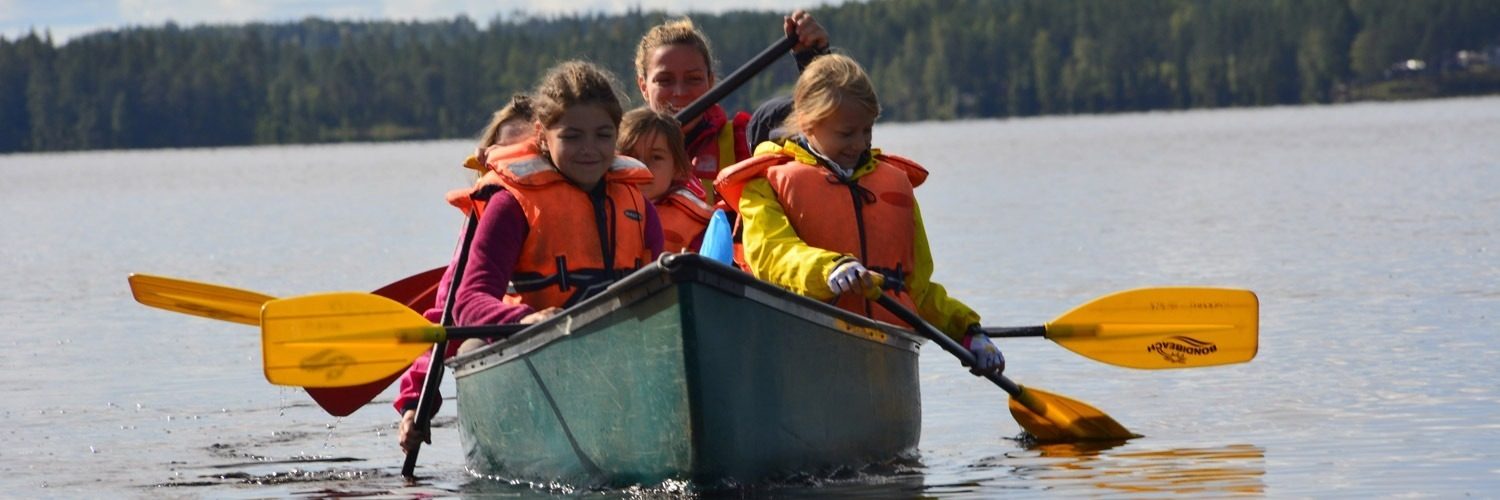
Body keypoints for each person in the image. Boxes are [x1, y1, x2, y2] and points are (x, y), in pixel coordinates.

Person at [396, 61, 665, 453]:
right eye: (572, 136)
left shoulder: (637, 204)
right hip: (538, 356)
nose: (589, 149)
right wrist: (526, 320)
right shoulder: (510, 205)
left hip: (619, 360)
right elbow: (466, 304)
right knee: (471, 347)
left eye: (603, 135)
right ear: (542, 134)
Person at [714, 54, 1004, 375]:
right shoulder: (766, 183)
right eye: (847, 133)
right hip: (803, 353)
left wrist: (968, 331)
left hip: (885, 360)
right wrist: (828, 269)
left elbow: (917, 289)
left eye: (867, 130)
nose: (859, 143)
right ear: (808, 124)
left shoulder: (893, 184)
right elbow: (771, 254)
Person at [634, 12, 830, 202]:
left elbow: (827, 132)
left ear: (710, 82)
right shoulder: (622, 155)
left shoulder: (744, 141)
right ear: (643, 86)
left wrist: (812, 58)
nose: (679, 92)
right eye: (664, 80)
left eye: (693, 79)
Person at [618, 107, 712, 253]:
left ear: (677, 169)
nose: (642, 167)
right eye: (631, 156)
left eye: (656, 157)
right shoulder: (599, 207)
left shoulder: (697, 227)